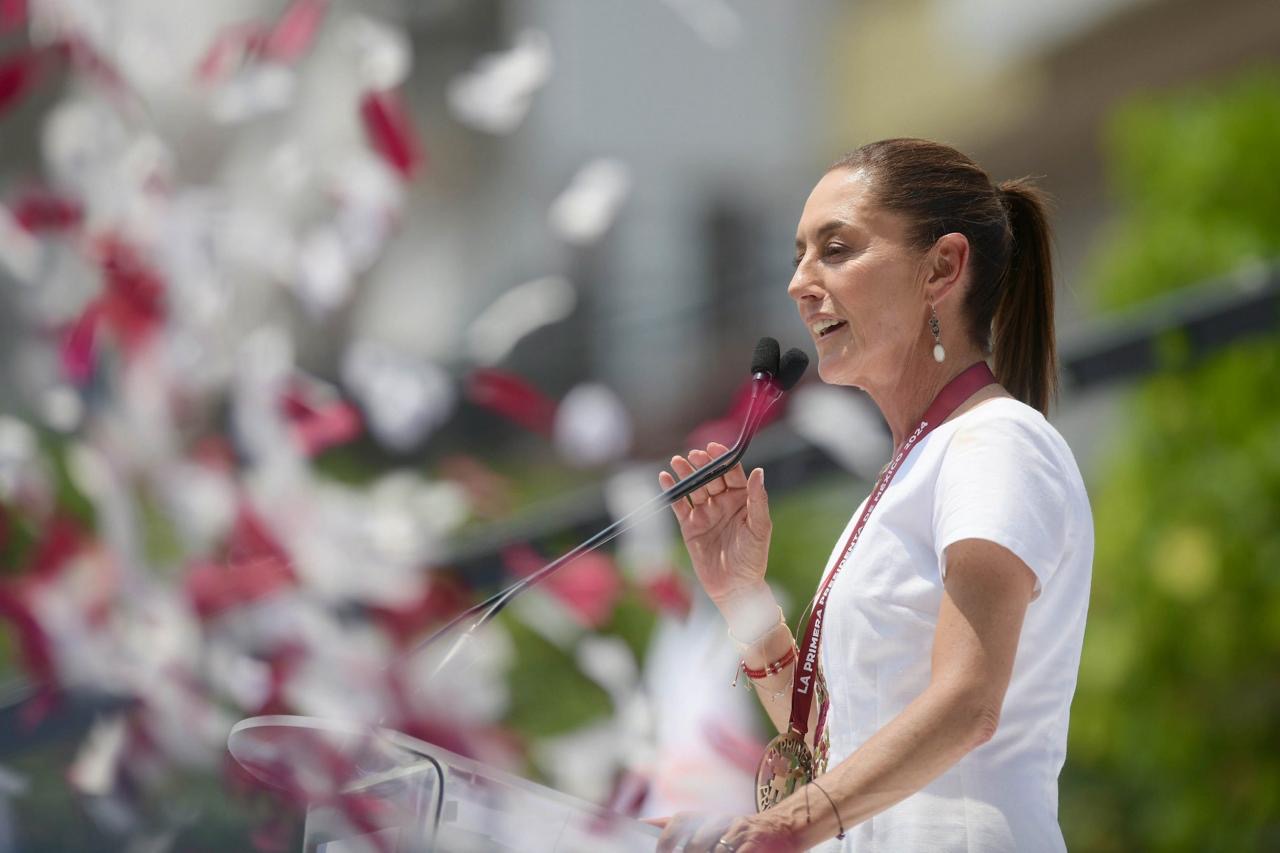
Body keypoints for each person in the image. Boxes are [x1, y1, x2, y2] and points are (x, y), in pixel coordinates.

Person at [653, 138, 1094, 852]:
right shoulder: (910, 471)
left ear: (942, 267)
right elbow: (839, 740)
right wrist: (742, 595)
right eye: (797, 253)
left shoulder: (998, 441)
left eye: (836, 249)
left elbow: (967, 702)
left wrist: (783, 824)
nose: (800, 282)